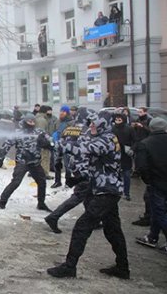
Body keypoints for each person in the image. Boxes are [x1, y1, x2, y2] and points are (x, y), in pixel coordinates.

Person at [47, 111, 129, 280]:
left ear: (104, 124)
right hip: (105, 190)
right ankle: (122, 268)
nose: (91, 125)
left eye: (95, 123)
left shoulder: (106, 139)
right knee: (113, 230)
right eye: (90, 122)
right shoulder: (102, 136)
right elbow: (87, 157)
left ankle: (69, 267)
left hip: (106, 192)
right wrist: (78, 177)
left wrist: (57, 144)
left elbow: (84, 149)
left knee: (82, 226)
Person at [45, 107, 96, 234]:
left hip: (74, 166)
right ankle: (54, 216)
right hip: (85, 168)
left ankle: (94, 219)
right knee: (80, 194)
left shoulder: (68, 129)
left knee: (89, 193)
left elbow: (60, 146)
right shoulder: (87, 131)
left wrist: (57, 162)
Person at [0, 113, 53, 211]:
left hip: (35, 162)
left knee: (42, 182)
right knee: (16, 182)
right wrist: (1, 159)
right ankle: (2, 201)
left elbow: (50, 141)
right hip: (22, 162)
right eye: (29, 121)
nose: (31, 123)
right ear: (25, 122)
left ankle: (41, 203)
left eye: (33, 121)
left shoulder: (39, 132)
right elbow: (6, 145)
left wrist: (47, 144)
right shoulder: (18, 133)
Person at [134, 118, 167, 255]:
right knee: (156, 210)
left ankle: (154, 236)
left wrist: (147, 180)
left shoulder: (145, 144)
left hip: (156, 183)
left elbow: (141, 166)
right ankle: (152, 236)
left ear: (151, 128)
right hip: (161, 182)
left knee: (159, 212)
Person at [112, 112, 135, 200]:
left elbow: (135, 140)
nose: (117, 121)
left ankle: (126, 193)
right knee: (116, 174)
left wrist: (132, 149)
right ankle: (117, 190)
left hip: (126, 154)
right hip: (115, 154)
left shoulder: (129, 129)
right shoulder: (112, 128)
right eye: (116, 119)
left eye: (119, 120)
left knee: (126, 174)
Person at [51, 105, 73, 188]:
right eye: (61, 111)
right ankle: (57, 181)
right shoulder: (58, 121)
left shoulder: (71, 122)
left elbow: (73, 134)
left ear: (67, 112)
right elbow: (54, 130)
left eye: (63, 111)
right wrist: (54, 135)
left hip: (67, 145)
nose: (61, 113)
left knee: (67, 165)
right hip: (58, 145)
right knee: (57, 164)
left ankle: (68, 182)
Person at [35, 105, 57, 179]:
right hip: (43, 143)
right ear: (45, 111)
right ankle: (44, 173)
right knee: (45, 157)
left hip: (38, 142)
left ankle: (38, 173)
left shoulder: (37, 117)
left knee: (39, 157)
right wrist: (47, 142)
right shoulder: (42, 120)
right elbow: (42, 133)